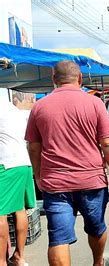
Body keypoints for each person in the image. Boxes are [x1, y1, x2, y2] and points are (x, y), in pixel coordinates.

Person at [25, 60, 109, 266]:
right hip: (91, 181)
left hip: (55, 183)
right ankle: (98, 262)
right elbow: (108, 143)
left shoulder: (39, 106)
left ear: (54, 80)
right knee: (96, 227)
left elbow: (33, 146)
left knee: (59, 238)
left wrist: (38, 175)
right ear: (80, 78)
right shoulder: (95, 103)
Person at [0, 100, 36, 266]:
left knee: (0, 214)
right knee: (19, 209)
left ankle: (1, 261)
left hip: (6, 165)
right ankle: (19, 257)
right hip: (23, 163)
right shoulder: (11, 108)